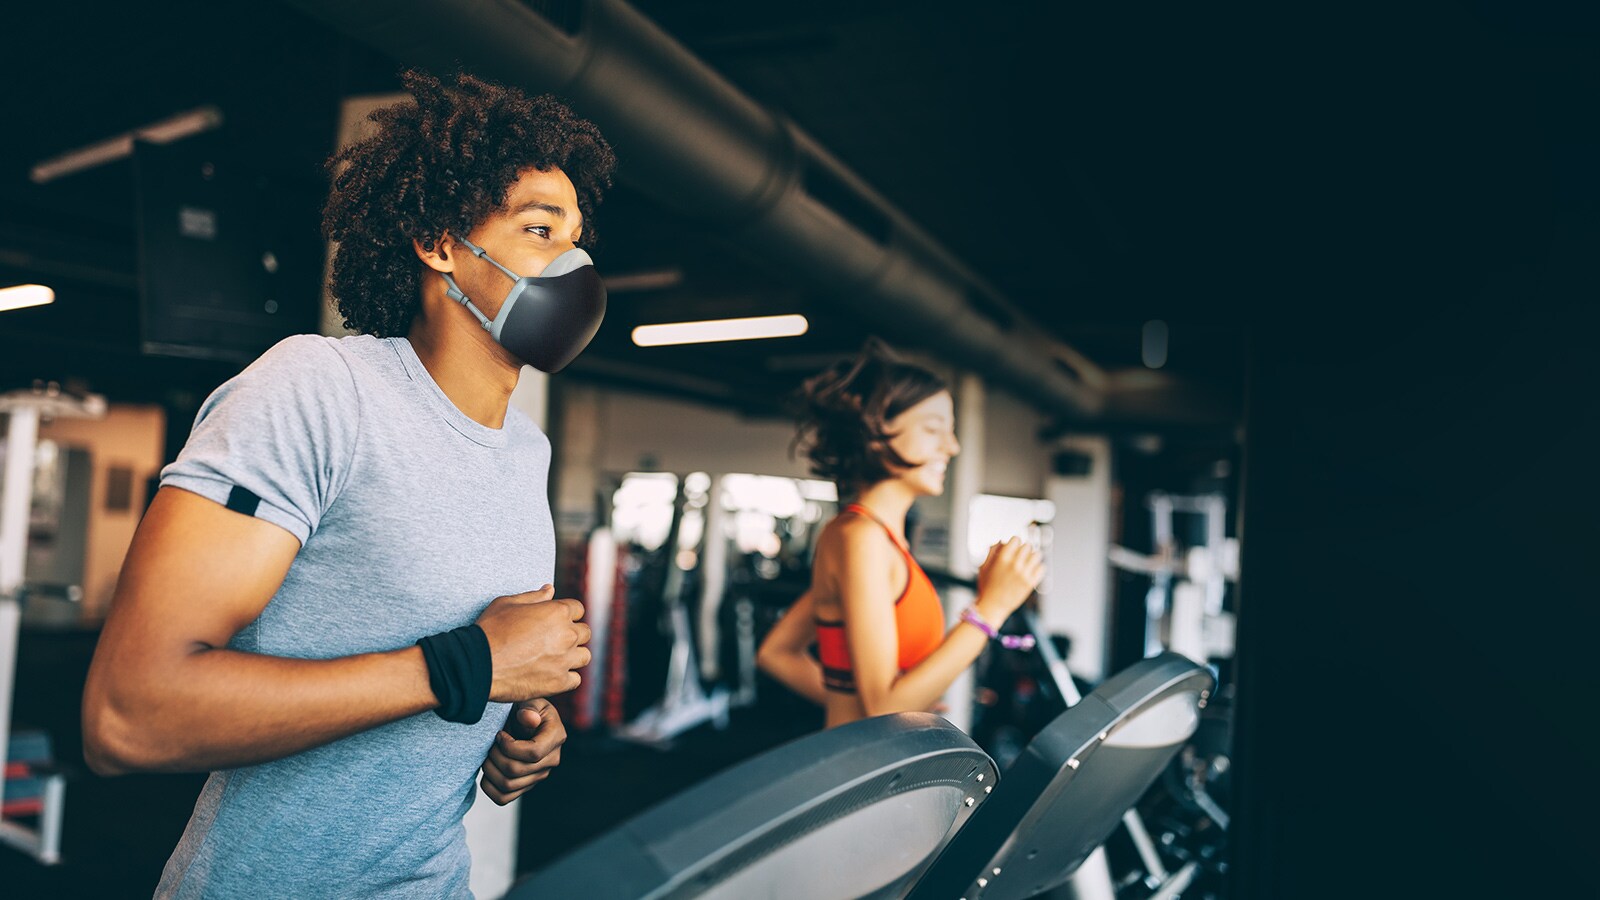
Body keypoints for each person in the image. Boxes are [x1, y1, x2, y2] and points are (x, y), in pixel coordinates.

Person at [80, 69, 616, 898]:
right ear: (441, 244)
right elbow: (129, 714)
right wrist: (467, 666)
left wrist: (516, 724)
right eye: (541, 230)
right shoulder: (318, 390)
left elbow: (483, 670)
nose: (575, 261)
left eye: (578, 235)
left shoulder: (526, 450)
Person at [757, 341, 1044, 729]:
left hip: (875, 756)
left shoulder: (873, 538)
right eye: (933, 429)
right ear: (879, 431)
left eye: (951, 432)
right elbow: (881, 708)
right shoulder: (861, 537)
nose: (952, 446)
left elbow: (777, 653)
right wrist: (991, 608)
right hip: (865, 771)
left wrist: (870, 702)